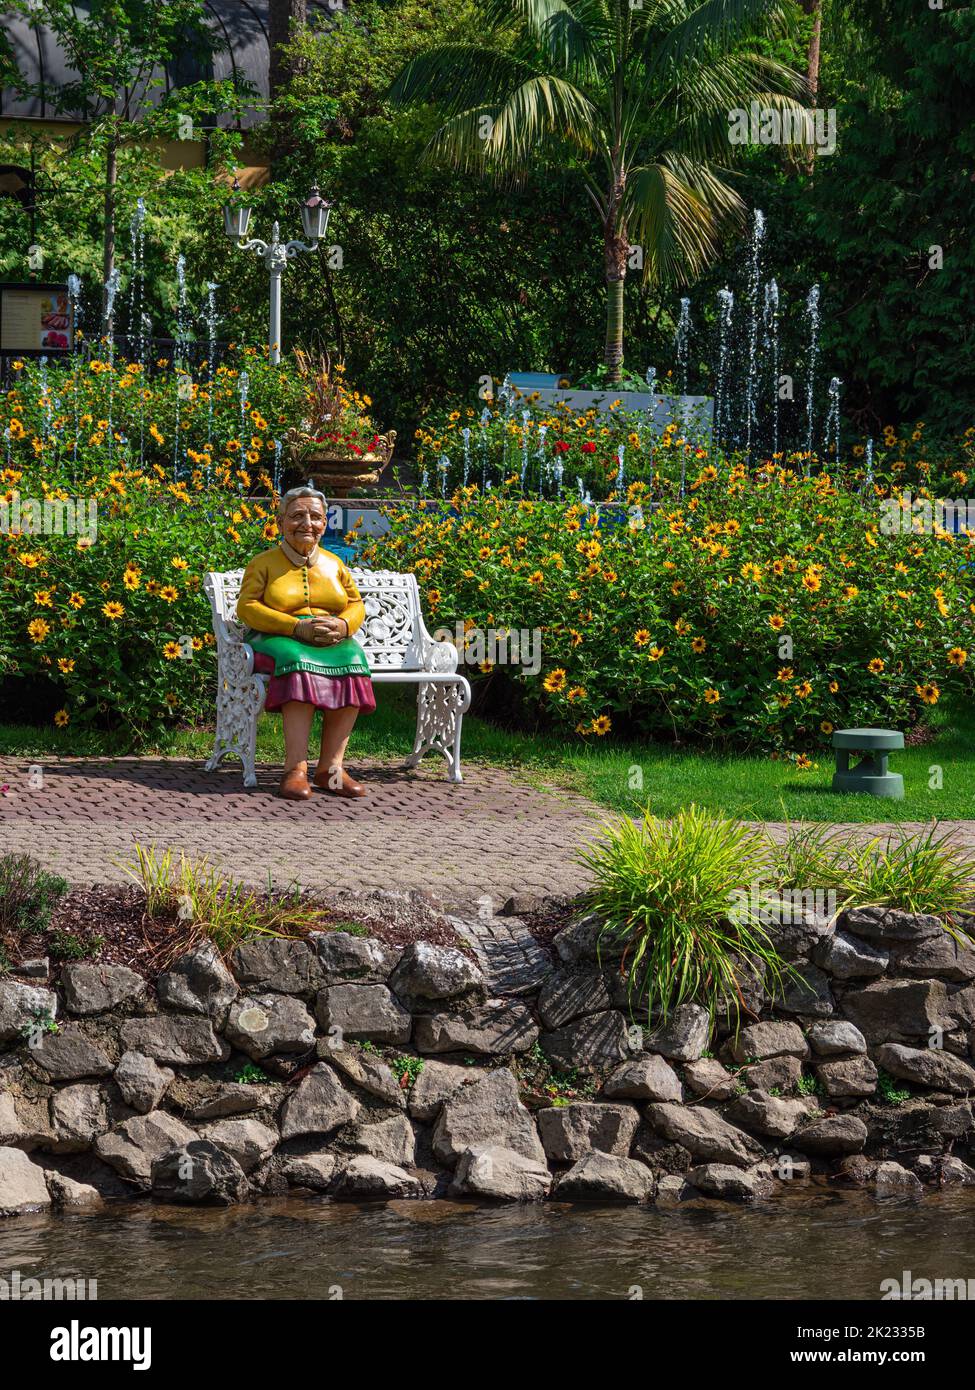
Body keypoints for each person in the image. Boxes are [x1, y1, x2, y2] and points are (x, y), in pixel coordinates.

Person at [236, 486, 374, 800]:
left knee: (355, 661)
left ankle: (331, 770)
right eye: (297, 515)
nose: (306, 523)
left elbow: (356, 605)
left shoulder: (334, 564)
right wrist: (296, 628)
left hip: (330, 640)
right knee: (298, 665)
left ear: (325, 523)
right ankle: (295, 769)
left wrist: (342, 624)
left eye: (315, 517)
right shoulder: (264, 563)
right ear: (281, 521)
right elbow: (247, 607)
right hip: (276, 638)